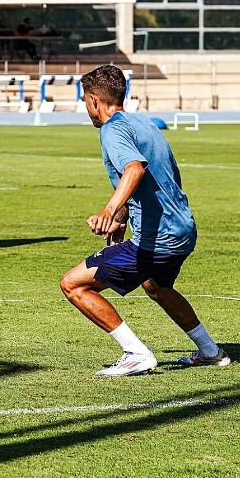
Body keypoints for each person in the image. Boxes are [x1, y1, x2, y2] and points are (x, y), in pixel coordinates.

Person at [59, 64, 229, 377]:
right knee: (157, 286)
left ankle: (136, 354)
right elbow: (159, 178)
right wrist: (123, 216)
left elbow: (135, 169)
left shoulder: (112, 130)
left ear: (96, 101)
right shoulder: (145, 123)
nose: (85, 107)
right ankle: (210, 351)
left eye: (85, 100)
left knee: (73, 285)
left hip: (158, 238)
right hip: (183, 230)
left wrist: (109, 210)